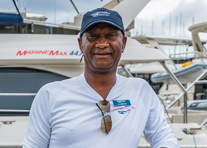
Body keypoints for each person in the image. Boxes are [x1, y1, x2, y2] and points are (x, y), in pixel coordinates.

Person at [23, 8, 179, 148]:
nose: (102, 44)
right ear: (80, 44)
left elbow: (163, 137)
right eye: (93, 36)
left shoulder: (141, 91)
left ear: (123, 43)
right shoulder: (50, 95)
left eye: (110, 36)